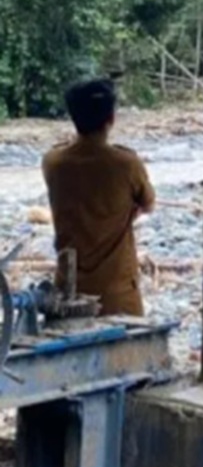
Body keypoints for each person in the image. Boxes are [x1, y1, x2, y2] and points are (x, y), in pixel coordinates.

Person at [41, 79, 155, 316]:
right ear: (111, 119)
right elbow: (148, 203)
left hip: (67, 292)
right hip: (117, 293)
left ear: (73, 118)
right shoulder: (126, 163)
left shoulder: (53, 162)